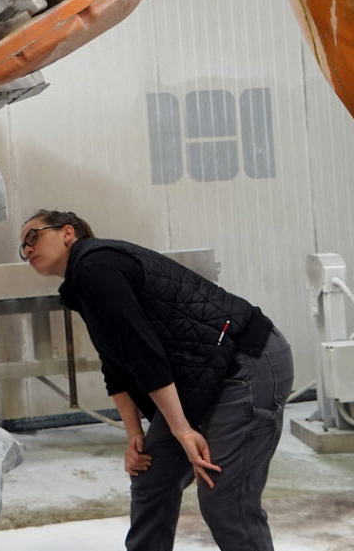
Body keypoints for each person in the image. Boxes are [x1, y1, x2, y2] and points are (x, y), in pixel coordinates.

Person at [19, 209, 293, 551]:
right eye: (23, 248)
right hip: (203, 375)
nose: (27, 250)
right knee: (152, 478)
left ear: (67, 233)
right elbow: (115, 363)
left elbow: (143, 353)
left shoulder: (95, 265)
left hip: (245, 362)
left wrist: (181, 430)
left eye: (33, 237)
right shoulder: (82, 282)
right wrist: (135, 435)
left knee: (225, 501)